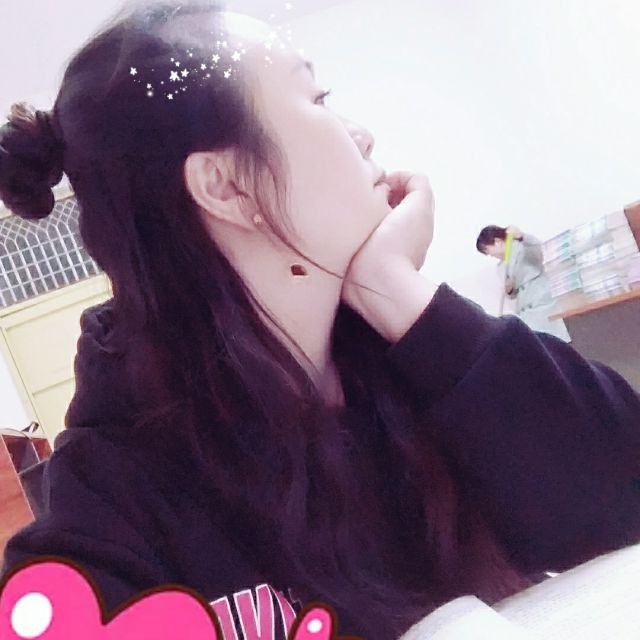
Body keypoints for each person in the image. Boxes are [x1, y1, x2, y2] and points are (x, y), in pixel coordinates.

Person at [1, 3, 639, 638]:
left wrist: (394, 289)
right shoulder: (118, 503)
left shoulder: (408, 363)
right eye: (319, 99)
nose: (362, 136)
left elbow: (623, 499)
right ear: (227, 186)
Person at [476, 225, 571, 341]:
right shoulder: (501, 267)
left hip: (543, 305)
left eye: (487, 250)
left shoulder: (523, 247)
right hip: (526, 312)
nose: (490, 255)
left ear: (497, 242)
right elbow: (513, 294)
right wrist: (510, 291)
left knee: (557, 342)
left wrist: (522, 236)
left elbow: (541, 250)